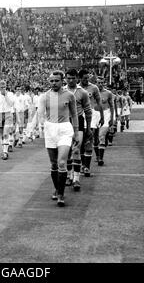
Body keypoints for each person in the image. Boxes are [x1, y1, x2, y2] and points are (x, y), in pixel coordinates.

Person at [38, 70, 79, 207]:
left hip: (65, 129)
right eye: (51, 81)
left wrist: (76, 132)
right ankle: (57, 188)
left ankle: (61, 194)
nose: (54, 83)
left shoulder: (69, 95)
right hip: (50, 129)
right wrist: (40, 127)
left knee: (62, 162)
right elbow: (40, 114)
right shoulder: (44, 96)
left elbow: (74, 114)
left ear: (63, 81)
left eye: (56, 80)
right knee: (54, 164)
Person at [64, 69, 92, 191]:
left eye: (72, 78)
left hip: (78, 122)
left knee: (76, 149)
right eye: (68, 78)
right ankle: (69, 175)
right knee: (67, 151)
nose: (70, 80)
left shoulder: (83, 92)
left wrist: (89, 128)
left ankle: (76, 179)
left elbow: (88, 111)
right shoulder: (61, 91)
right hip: (64, 122)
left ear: (77, 78)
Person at [78, 69, 103, 178]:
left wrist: (102, 116)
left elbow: (99, 103)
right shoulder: (75, 89)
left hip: (91, 117)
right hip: (78, 117)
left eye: (87, 78)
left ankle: (87, 167)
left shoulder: (94, 88)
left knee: (89, 140)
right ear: (79, 78)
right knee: (80, 144)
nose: (86, 80)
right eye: (84, 78)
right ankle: (83, 165)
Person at [0, 80, 15, 160]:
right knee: (1, 135)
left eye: (4, 87)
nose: (3, 88)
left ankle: (5, 152)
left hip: (8, 114)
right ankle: (4, 149)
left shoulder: (10, 94)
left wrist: (6, 95)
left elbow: (11, 104)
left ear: (6, 86)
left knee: (5, 133)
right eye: (1, 87)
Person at [95, 77, 114, 166]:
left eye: (102, 82)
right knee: (94, 139)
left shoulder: (108, 93)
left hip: (106, 115)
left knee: (101, 136)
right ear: (96, 83)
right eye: (99, 82)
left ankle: (100, 159)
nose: (100, 84)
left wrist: (111, 118)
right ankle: (97, 155)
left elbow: (111, 106)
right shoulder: (91, 92)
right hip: (94, 115)